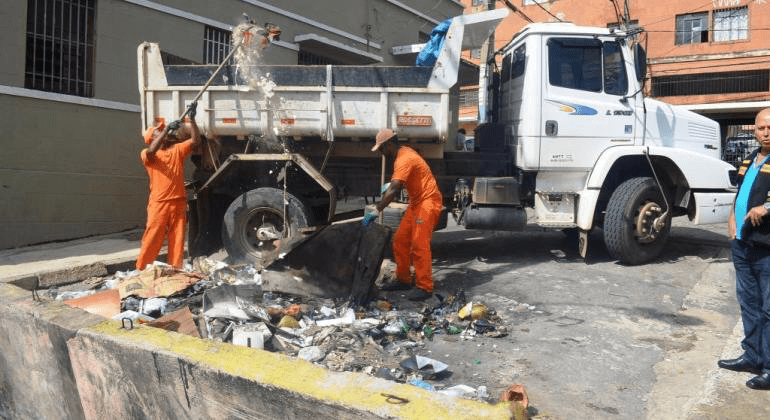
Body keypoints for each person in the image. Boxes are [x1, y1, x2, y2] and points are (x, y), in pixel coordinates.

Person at [720, 107, 770, 390]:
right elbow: (740, 194)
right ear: (754, 129)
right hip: (742, 244)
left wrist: (767, 207)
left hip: (766, 250)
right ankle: (752, 356)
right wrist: (731, 220)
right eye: (761, 128)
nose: (766, 132)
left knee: (769, 309)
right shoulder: (750, 159)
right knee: (749, 305)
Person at [363, 128, 443, 301]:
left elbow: (394, 188)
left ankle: (425, 286)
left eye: (382, 149)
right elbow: (397, 182)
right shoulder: (403, 154)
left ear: (389, 145)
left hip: (428, 202)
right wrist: (390, 186)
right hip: (417, 203)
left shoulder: (405, 158)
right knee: (400, 240)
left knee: (419, 244)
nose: (381, 153)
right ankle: (403, 279)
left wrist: (377, 209)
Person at [135, 102, 200, 270]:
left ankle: (175, 269)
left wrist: (191, 120)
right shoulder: (148, 155)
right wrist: (165, 130)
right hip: (159, 204)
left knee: (177, 240)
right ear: (152, 139)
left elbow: (195, 140)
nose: (164, 132)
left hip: (178, 202)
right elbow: (151, 151)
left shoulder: (176, 151)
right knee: (153, 237)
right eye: (158, 132)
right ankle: (141, 270)